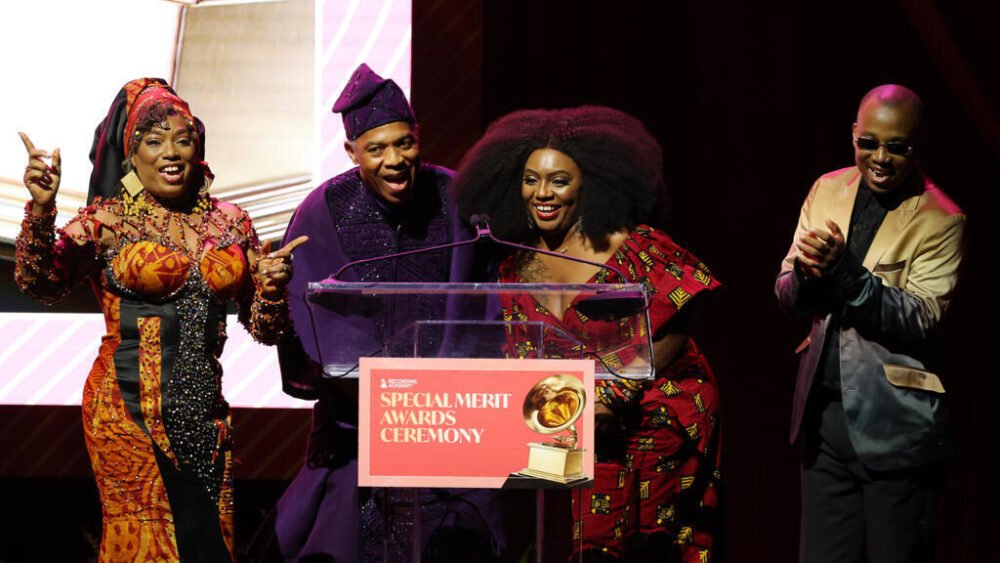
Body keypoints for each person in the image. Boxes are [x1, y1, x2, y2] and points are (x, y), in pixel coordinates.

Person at [14, 78, 303, 561]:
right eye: (154, 142)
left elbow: (264, 328)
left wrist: (271, 290)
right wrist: (42, 211)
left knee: (207, 545)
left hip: (203, 415)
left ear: (199, 148)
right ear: (132, 154)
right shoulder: (107, 221)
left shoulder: (230, 222)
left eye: (182, 140)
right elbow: (40, 282)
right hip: (125, 413)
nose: (170, 153)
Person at [251, 63, 502, 562]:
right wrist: (388, 409)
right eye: (377, 148)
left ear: (418, 138)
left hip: (451, 422)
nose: (395, 160)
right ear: (351, 152)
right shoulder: (323, 210)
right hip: (359, 423)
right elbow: (309, 331)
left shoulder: (455, 198)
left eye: (404, 143)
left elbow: (490, 298)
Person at [451, 105, 723, 563]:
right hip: (577, 427)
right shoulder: (514, 269)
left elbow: (682, 316)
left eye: (559, 181)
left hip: (657, 409)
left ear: (588, 185)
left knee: (655, 548)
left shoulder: (628, 245)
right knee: (587, 547)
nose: (543, 193)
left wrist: (615, 393)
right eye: (531, 179)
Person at [775, 84, 965, 563]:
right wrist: (805, 273)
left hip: (895, 427)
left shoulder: (943, 220)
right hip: (823, 419)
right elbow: (786, 293)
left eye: (897, 146)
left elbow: (919, 318)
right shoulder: (827, 188)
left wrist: (845, 273)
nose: (880, 157)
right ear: (854, 135)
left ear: (918, 145)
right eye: (869, 143)